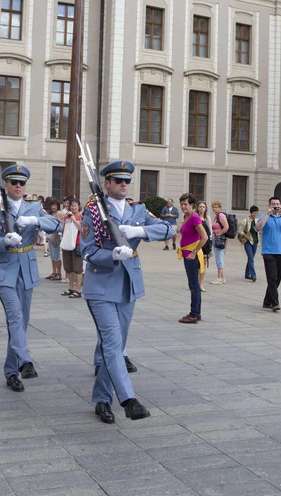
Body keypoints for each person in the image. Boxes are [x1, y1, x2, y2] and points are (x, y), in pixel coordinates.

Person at [81, 160, 174, 424]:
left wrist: (139, 230)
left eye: (127, 181)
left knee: (114, 345)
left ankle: (101, 400)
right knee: (112, 345)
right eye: (118, 180)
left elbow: (169, 228)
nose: (124, 185)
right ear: (106, 183)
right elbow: (86, 250)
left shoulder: (138, 209)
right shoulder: (94, 211)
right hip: (100, 286)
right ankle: (128, 400)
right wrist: (111, 253)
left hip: (127, 285)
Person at [0, 165, 62, 392]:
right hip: (4, 268)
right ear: (5, 184)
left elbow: (56, 225)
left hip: (26, 269)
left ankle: (11, 371)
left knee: (20, 323)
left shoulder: (33, 206)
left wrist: (34, 222)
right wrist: (5, 241)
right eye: (14, 183)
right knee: (14, 315)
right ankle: (25, 360)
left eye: (21, 183)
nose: (18, 186)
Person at [177, 194, 208, 324]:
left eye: (186, 204)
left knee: (194, 286)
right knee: (193, 285)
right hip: (187, 255)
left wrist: (194, 252)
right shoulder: (186, 217)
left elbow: (205, 237)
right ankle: (197, 313)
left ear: (191, 205)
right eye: (182, 204)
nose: (183, 206)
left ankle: (194, 314)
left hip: (192, 256)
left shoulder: (194, 217)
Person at [256, 196, 281, 312]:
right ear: (269, 206)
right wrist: (267, 214)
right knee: (272, 278)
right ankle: (275, 303)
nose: (276, 205)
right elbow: (258, 227)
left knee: (277, 279)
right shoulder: (264, 216)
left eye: (277, 204)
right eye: (273, 204)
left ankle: (267, 301)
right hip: (268, 252)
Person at [61, 198, 83, 298]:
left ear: (78, 206)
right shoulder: (68, 216)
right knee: (68, 267)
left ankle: (78, 290)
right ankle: (71, 288)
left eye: (75, 205)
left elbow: (81, 229)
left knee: (78, 268)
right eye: (71, 205)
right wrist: (64, 219)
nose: (73, 207)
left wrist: (74, 220)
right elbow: (62, 229)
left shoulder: (82, 216)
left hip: (77, 244)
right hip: (67, 243)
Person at [238, 205, 259, 282]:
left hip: (255, 242)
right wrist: (245, 236)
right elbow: (240, 230)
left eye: (256, 213)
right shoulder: (245, 220)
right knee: (250, 258)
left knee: (251, 258)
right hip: (248, 242)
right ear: (250, 213)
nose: (255, 215)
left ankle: (247, 274)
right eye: (254, 213)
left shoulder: (257, 221)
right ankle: (253, 274)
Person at [210, 200, 229, 285]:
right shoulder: (216, 217)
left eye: (216, 207)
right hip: (217, 238)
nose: (214, 209)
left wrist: (218, 235)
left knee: (219, 258)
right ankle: (222, 277)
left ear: (220, 208)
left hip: (219, 239)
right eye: (213, 207)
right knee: (219, 257)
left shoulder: (221, 215)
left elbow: (226, 227)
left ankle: (219, 278)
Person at [45, 198, 64, 281]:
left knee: (56, 256)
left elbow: (58, 227)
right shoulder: (51, 213)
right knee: (52, 256)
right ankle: (54, 272)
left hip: (55, 235)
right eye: (52, 205)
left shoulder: (59, 213)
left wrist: (54, 237)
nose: (53, 207)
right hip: (49, 235)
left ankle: (59, 273)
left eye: (55, 205)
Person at [197, 200, 212, 292]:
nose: (202, 208)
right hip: (197, 242)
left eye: (203, 207)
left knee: (204, 263)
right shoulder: (195, 217)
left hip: (206, 243)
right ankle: (195, 282)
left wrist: (210, 242)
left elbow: (210, 231)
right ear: (197, 208)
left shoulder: (207, 218)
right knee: (196, 264)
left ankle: (201, 284)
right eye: (200, 206)